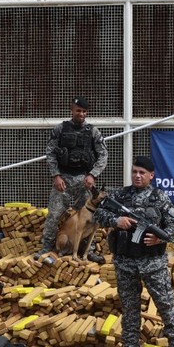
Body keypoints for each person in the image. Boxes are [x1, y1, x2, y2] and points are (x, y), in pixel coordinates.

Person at [93, 155, 174, 347]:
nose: (137, 176)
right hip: (125, 261)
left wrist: (160, 237)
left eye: (142, 173)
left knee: (166, 305)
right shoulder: (121, 195)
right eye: (135, 172)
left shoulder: (160, 198)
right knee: (130, 307)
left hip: (153, 262)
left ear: (151, 176)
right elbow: (98, 214)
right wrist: (115, 220)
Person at [39, 96, 108, 256]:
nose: (81, 114)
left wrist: (93, 174)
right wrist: (56, 175)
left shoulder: (93, 132)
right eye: (78, 110)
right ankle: (46, 248)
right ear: (72, 109)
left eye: (84, 111)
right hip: (63, 180)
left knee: (89, 219)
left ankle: (88, 250)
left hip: (84, 182)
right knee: (54, 215)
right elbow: (50, 153)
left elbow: (103, 155)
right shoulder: (60, 129)